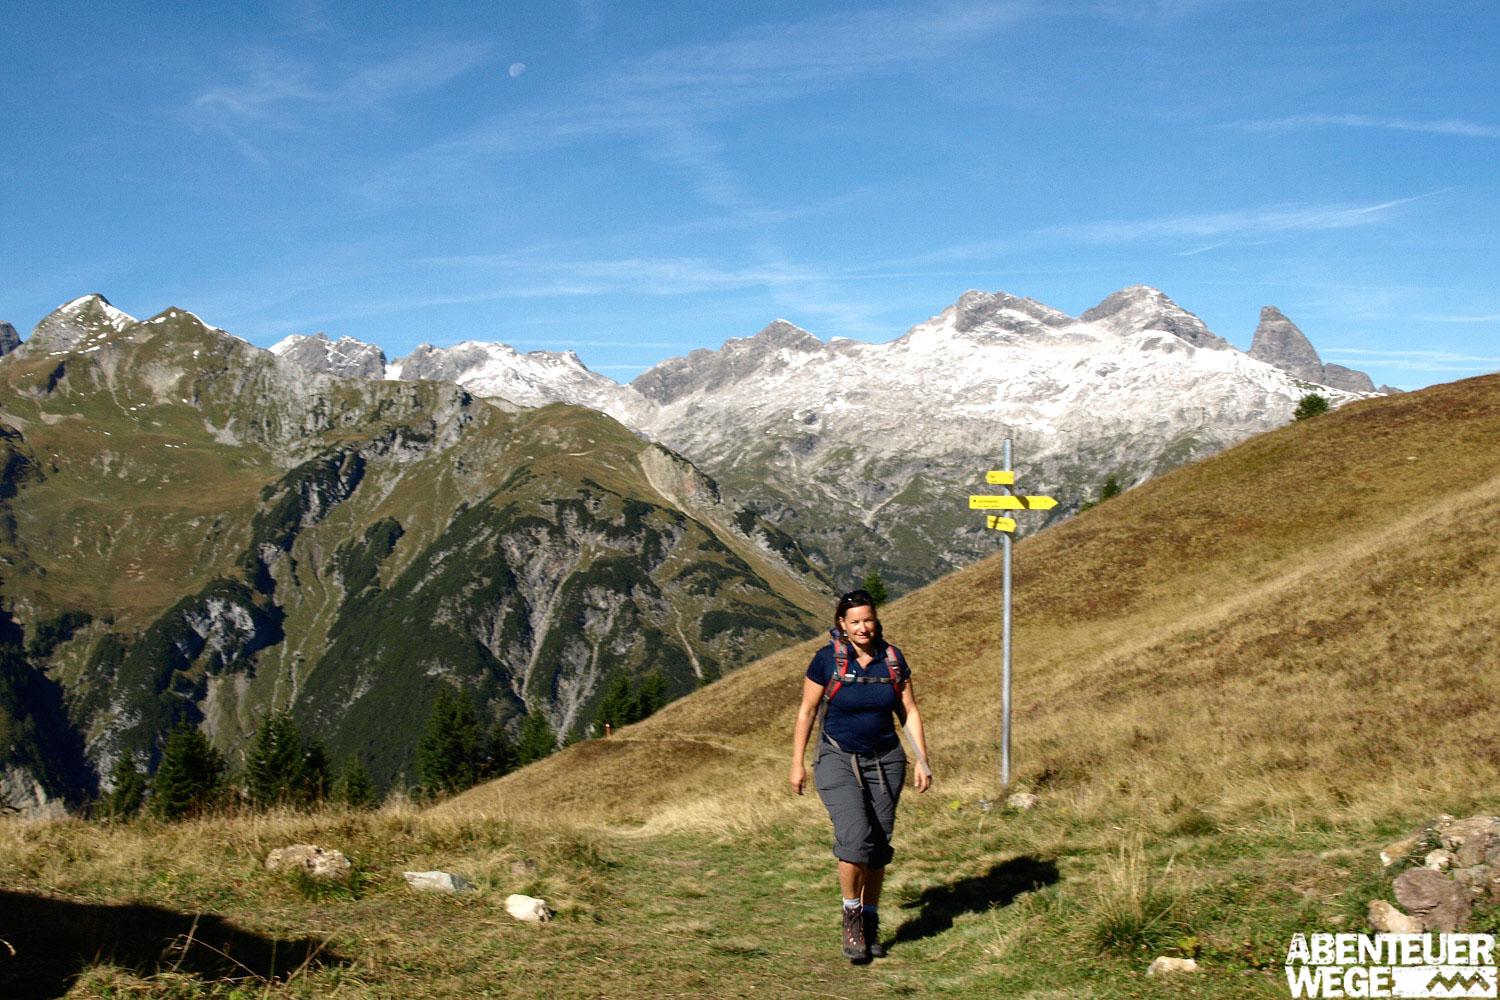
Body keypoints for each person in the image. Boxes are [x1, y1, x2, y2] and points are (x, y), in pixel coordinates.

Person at [789, 589, 933, 962]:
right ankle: (851, 918)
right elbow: (806, 712)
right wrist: (797, 762)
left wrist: (922, 759)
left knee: (879, 847)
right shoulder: (826, 661)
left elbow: (910, 711)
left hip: (886, 761)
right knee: (855, 840)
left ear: (876, 620)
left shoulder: (893, 660)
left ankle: (870, 922)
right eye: (854, 621)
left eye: (868, 619)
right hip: (838, 759)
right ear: (842, 624)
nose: (863, 627)